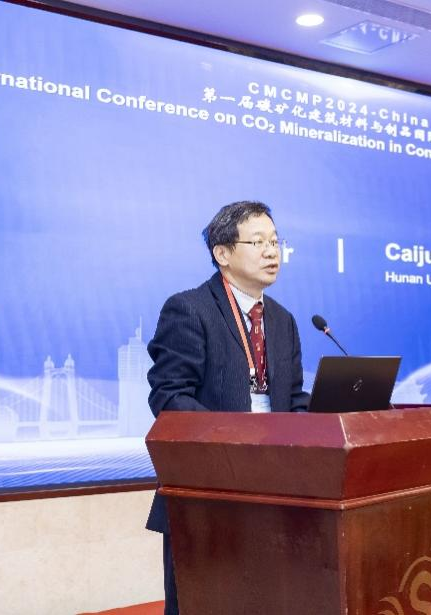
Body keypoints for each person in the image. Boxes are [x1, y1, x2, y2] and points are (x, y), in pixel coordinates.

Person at [145, 200, 309, 614]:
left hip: (275, 493)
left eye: (275, 242)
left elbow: (291, 400)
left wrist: (324, 424)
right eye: (258, 242)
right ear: (222, 253)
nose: (272, 252)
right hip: (206, 495)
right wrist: (238, 442)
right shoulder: (190, 309)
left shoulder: (283, 320)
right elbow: (169, 396)